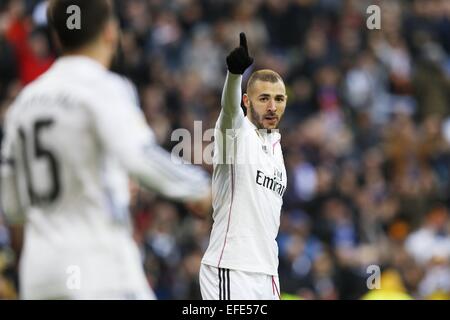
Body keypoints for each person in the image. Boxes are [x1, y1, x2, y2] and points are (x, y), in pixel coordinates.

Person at [0, 0, 211, 300]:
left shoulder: (23, 104)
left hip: (41, 274)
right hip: (98, 268)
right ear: (111, 32)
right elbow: (139, 156)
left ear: (58, 37)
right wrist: (200, 189)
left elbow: (12, 209)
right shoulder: (105, 87)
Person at [200, 32, 288, 300]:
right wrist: (235, 75)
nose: (272, 106)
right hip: (231, 268)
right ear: (247, 101)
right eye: (264, 98)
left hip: (268, 274)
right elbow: (229, 111)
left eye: (279, 99)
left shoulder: (276, 148)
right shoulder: (237, 134)